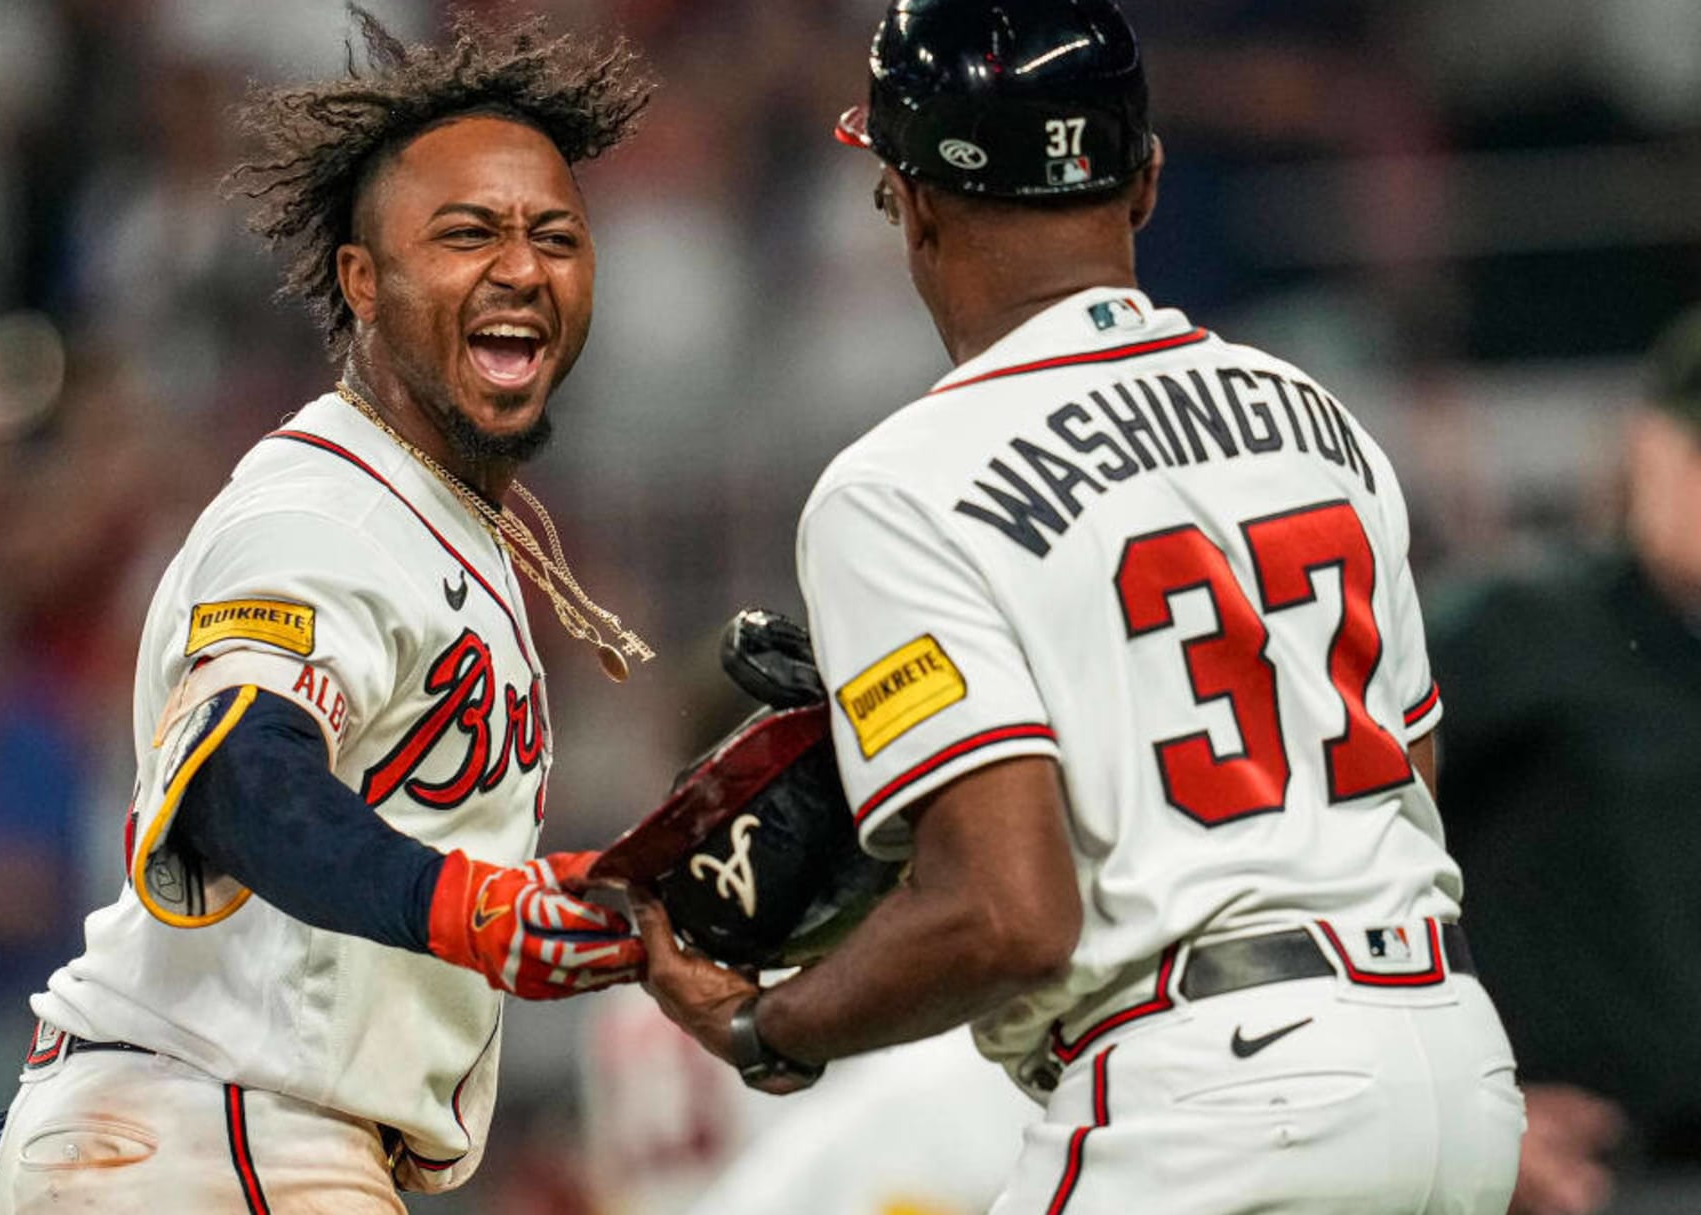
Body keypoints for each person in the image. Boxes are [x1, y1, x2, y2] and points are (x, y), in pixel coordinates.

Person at [632, 2, 1524, 1212]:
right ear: (1147, 180)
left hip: (1203, 1095)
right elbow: (1397, 774)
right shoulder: (1318, 420)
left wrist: (768, 1027)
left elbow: (1008, 916)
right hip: (1453, 1066)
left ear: (910, 198)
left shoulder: (901, 486)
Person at [0, 11, 656, 1213]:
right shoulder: (321, 514)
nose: (521, 267)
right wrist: (481, 909)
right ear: (361, 280)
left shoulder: (436, 516)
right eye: (466, 233)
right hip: (205, 1132)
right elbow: (239, 772)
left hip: (222, 1138)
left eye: (555, 235)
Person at [1430, 306, 1701, 1215]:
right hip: (1601, 1178)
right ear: (1649, 447)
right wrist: (1466, 1109)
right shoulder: (1522, 636)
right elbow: (1345, 856)